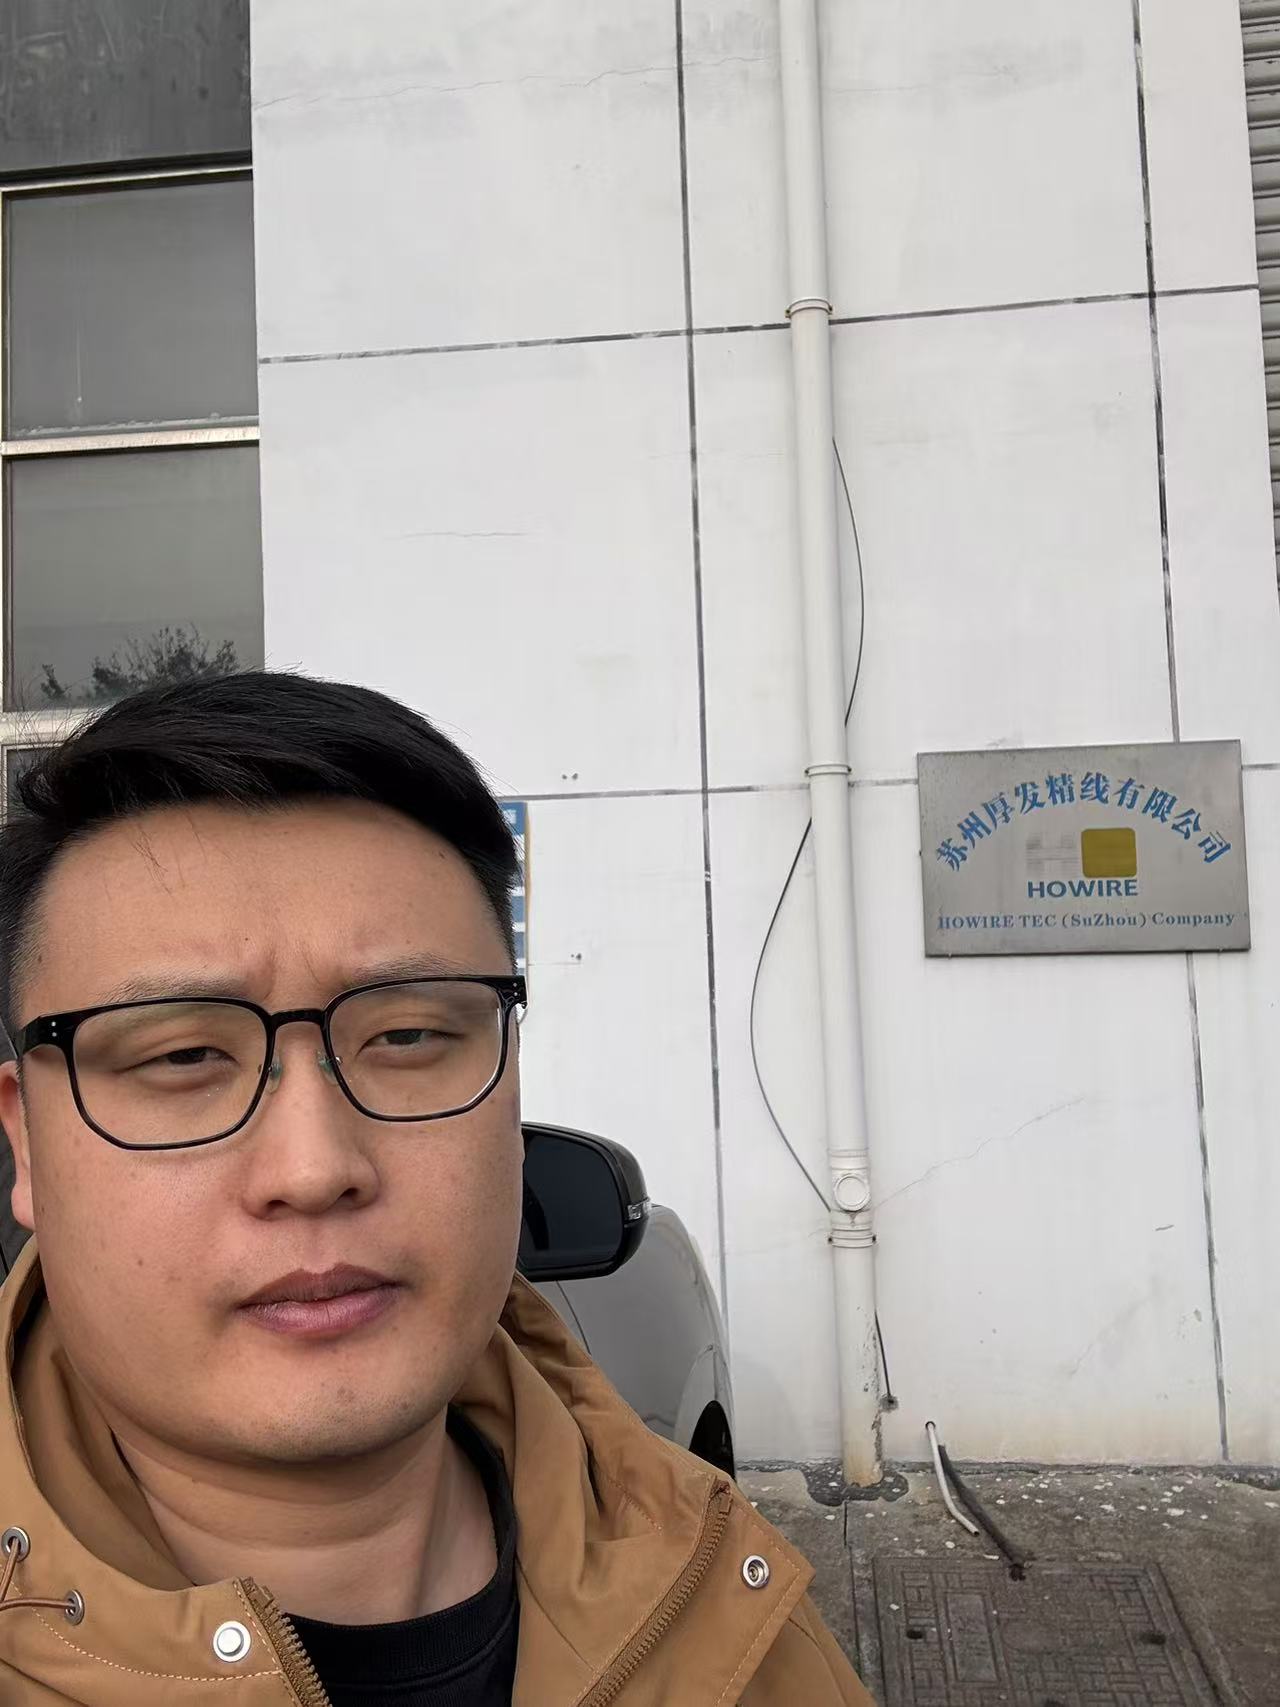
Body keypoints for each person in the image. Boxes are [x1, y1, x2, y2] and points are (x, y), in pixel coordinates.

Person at [0, 672, 873, 1706]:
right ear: (26, 1141)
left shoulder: (724, 1604)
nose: (314, 1169)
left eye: (408, 1036)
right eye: (183, 1056)